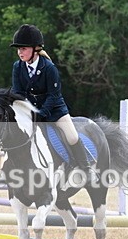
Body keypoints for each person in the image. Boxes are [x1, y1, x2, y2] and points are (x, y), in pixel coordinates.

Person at [9, 24, 98, 183]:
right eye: (18, 49)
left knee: (71, 136)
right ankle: (11, 169)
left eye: (23, 49)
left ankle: (86, 168)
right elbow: (19, 93)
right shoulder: (18, 67)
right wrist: (25, 112)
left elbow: (53, 95)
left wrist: (41, 113)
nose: (20, 52)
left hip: (55, 111)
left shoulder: (49, 68)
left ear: (35, 49)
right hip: (32, 112)